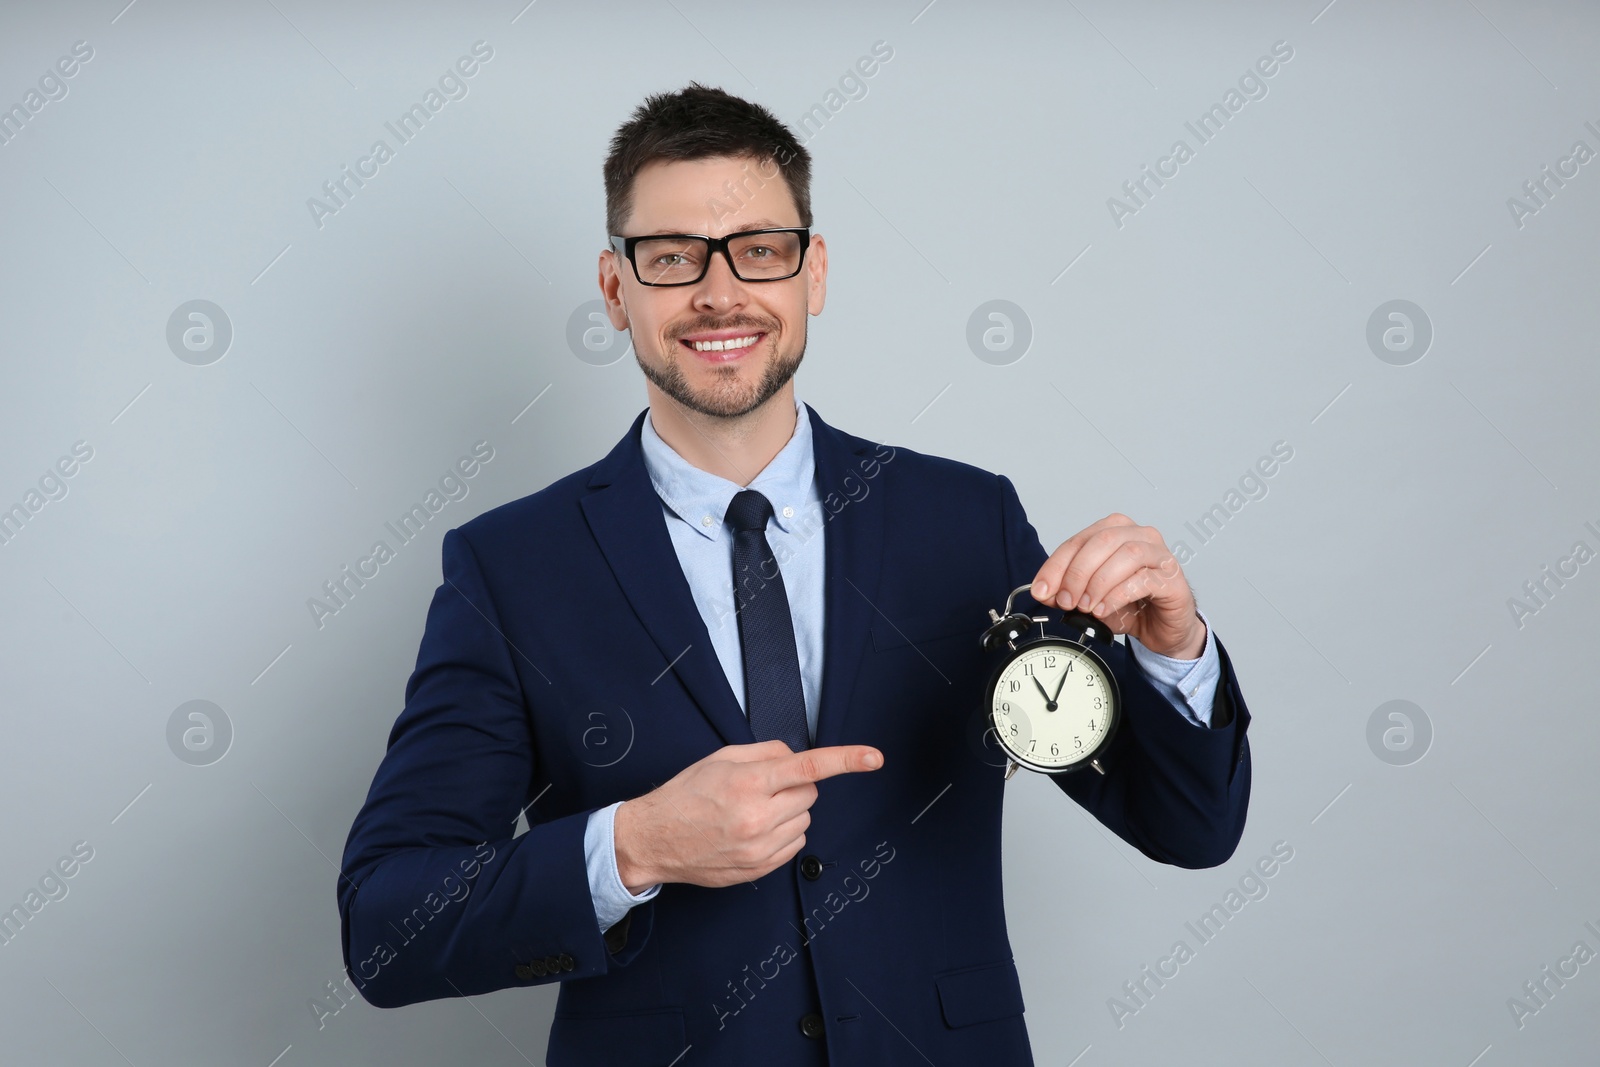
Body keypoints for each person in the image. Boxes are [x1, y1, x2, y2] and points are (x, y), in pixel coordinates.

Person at [338, 82, 1251, 1067]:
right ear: (616, 289)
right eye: (673, 256)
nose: (718, 291)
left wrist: (1174, 653)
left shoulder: (963, 521)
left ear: (811, 272)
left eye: (758, 250)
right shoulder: (510, 566)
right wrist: (632, 844)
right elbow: (386, 926)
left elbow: (1190, 826)